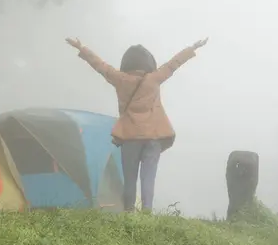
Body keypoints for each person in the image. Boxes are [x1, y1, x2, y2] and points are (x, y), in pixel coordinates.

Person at [65, 37, 208, 212]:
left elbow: (100, 66)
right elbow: (173, 64)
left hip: (130, 137)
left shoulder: (119, 79)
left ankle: (129, 211)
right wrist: (192, 47)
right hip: (154, 137)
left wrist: (81, 47)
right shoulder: (155, 78)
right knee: (148, 178)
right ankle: (147, 211)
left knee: (130, 178)